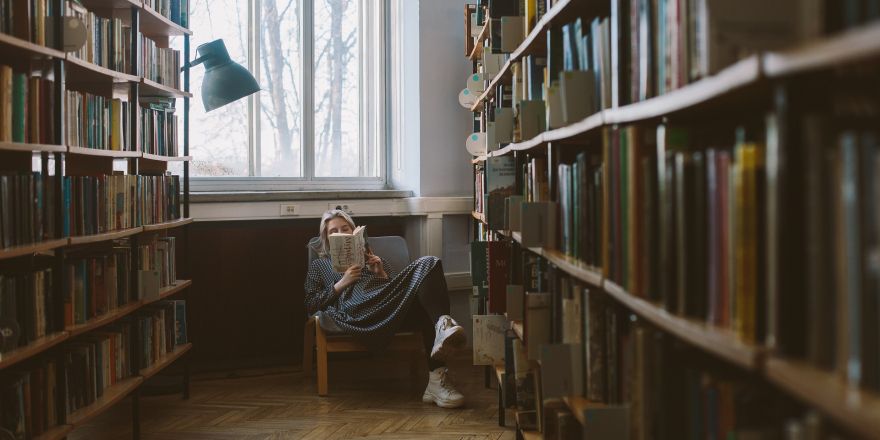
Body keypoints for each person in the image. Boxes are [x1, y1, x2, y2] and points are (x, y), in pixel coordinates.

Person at [304, 209, 467, 408]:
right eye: (333, 231)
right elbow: (311, 303)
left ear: (355, 232)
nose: (341, 233)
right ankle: (442, 328)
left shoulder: (373, 258)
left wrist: (380, 273)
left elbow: (396, 289)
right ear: (327, 239)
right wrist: (341, 284)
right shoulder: (320, 265)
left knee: (430, 262)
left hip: (387, 307)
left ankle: (436, 379)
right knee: (426, 282)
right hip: (357, 311)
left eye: (345, 229)